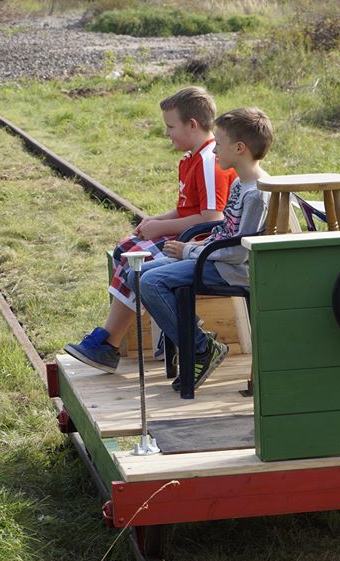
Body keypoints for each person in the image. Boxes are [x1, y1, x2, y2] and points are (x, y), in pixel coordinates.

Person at [65, 86, 236, 373]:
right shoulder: (191, 158)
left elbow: (212, 217)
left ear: (192, 125)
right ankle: (115, 340)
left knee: (135, 260)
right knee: (125, 249)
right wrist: (154, 222)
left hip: (200, 239)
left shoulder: (208, 161)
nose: (167, 133)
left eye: (171, 126)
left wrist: (163, 228)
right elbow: (185, 209)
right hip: (190, 230)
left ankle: (110, 342)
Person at [138, 107, 273, 390]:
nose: (214, 152)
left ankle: (201, 348)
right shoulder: (239, 183)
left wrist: (188, 251)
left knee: (151, 281)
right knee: (138, 275)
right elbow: (225, 232)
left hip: (232, 270)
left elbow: (239, 251)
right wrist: (193, 246)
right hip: (216, 261)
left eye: (219, 145)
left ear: (239, 148)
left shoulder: (257, 194)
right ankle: (195, 337)